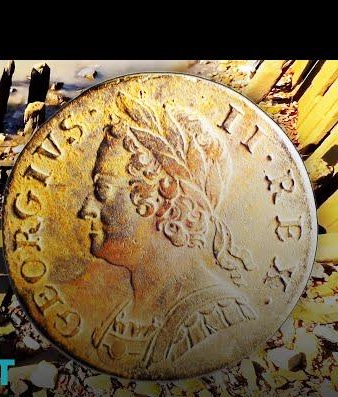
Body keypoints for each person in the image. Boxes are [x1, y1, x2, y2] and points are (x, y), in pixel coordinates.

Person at [77, 95, 257, 374]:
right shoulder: (124, 314)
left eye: (102, 192)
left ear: (160, 201)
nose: (85, 209)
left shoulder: (213, 323)